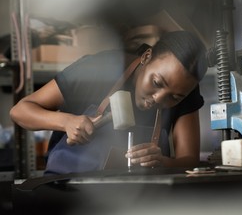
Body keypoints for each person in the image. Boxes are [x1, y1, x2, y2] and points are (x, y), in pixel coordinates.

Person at [10, 30, 208, 173]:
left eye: (174, 97)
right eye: (156, 82)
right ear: (146, 57)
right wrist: (67, 122)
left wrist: (163, 162)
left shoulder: (185, 89)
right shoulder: (99, 69)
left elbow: (188, 161)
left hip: (139, 196)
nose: (158, 98)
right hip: (68, 190)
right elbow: (20, 111)